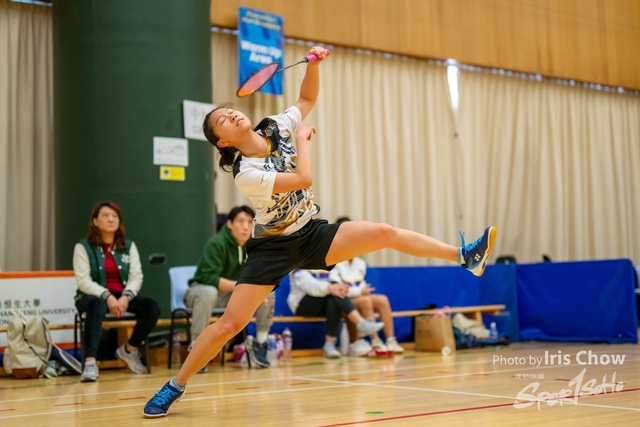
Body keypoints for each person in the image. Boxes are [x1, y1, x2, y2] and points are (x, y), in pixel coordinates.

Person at [144, 46, 496, 418]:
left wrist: (313, 64)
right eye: (222, 120)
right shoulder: (246, 172)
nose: (230, 114)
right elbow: (303, 178)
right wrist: (302, 139)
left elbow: (307, 99)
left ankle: (465, 257)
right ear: (223, 142)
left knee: (384, 231)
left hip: (311, 233)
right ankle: (174, 386)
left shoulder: (274, 125)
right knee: (230, 324)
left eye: (229, 110)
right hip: (273, 247)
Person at [73, 201, 161, 382]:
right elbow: (83, 281)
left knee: (152, 308)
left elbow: (136, 276)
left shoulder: (128, 246)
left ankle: (130, 349)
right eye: (105, 215)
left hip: (122, 295)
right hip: (92, 296)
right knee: (96, 305)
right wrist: (107, 296)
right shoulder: (83, 247)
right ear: (95, 221)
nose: (111, 219)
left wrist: (126, 297)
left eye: (115, 216)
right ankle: (90, 362)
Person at [184, 205, 275, 370]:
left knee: (267, 292)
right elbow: (209, 278)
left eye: (250, 222)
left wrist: (257, 291)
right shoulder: (216, 243)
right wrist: (241, 287)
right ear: (230, 224)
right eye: (241, 221)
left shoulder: (254, 246)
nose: (246, 226)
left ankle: (260, 343)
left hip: (231, 294)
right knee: (208, 292)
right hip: (201, 291)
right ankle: (196, 347)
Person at [330, 217, 404, 355]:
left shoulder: (360, 262)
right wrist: (359, 291)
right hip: (343, 302)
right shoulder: (333, 259)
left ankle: (391, 340)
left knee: (382, 300)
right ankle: (375, 342)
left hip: (358, 296)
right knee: (365, 301)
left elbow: (361, 285)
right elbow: (338, 290)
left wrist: (361, 291)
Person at [288, 269, 384, 358]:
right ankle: (360, 323)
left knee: (335, 297)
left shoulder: (328, 264)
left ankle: (329, 345)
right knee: (334, 292)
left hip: (325, 301)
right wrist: (330, 288)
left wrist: (337, 288)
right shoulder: (299, 263)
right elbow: (310, 286)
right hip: (302, 305)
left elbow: (338, 284)